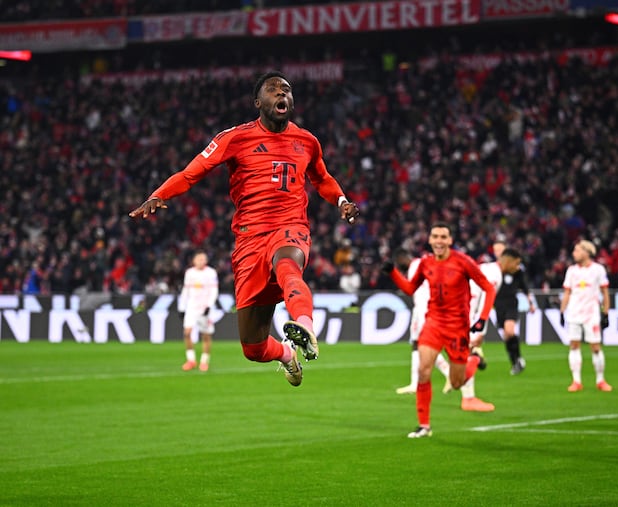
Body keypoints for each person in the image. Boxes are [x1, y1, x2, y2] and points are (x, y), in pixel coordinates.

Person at [129, 70, 360, 387]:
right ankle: (286, 354)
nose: (282, 93)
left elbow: (322, 179)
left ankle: (304, 325)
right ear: (258, 102)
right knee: (253, 347)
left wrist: (342, 200)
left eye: (287, 89)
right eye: (273, 89)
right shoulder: (235, 138)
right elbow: (191, 173)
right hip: (249, 241)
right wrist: (159, 194)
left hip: (289, 226)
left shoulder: (307, 141)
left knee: (289, 266)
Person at [383, 222, 496, 437]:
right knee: (423, 370)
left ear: (450, 240)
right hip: (434, 322)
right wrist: (393, 273)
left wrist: (482, 319)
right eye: (435, 236)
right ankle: (424, 426)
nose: (439, 241)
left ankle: (474, 359)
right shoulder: (426, 263)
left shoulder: (463, 262)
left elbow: (488, 288)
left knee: (456, 383)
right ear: (430, 240)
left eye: (443, 237)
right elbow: (410, 288)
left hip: (457, 328)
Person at [464, 248, 529, 410]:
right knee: (468, 353)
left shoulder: (487, 268)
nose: (517, 267)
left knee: (463, 353)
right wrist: (480, 330)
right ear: (508, 261)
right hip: (466, 314)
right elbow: (482, 302)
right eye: (517, 263)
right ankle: (467, 397)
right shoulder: (495, 275)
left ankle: (464, 391)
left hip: (460, 309)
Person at [392, 248, 453, 396]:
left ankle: (448, 371)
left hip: (424, 310)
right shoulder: (424, 263)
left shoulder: (414, 267)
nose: (399, 267)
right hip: (421, 308)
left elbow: (412, 288)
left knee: (422, 345)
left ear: (402, 259)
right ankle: (414, 384)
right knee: (415, 342)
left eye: (398, 263)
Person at [559, 240, 613, 392]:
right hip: (574, 313)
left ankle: (600, 380)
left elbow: (604, 292)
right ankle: (576, 381)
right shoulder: (571, 270)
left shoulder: (598, 269)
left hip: (591, 314)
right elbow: (567, 292)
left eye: (577, 250)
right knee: (574, 345)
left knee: (595, 347)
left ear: (586, 252)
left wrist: (606, 312)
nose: (573, 253)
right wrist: (562, 311)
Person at [490, 240, 536, 375]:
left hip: (511, 303)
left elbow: (525, 287)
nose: (497, 252)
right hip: (498, 305)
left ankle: (518, 359)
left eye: (500, 250)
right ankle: (515, 361)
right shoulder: (493, 270)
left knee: (509, 331)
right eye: (495, 250)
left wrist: (530, 303)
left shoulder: (516, 270)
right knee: (506, 335)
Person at [178, 251, 219, 372]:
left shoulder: (211, 273)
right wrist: (182, 307)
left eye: (203, 259)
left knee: (205, 335)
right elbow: (185, 291)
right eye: (199, 259)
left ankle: (204, 361)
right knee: (187, 333)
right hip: (191, 307)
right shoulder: (189, 273)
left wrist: (209, 306)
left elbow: (214, 291)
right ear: (194, 260)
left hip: (204, 308)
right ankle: (191, 360)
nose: (201, 261)